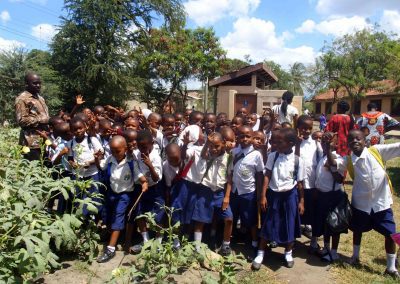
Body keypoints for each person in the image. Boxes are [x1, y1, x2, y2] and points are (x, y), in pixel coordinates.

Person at [327, 129, 400, 279]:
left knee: (391, 235)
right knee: (357, 230)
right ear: (348, 144)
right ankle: (355, 257)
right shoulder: (348, 160)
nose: (355, 141)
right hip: (360, 204)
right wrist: (328, 148)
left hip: (381, 204)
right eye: (351, 140)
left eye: (358, 138)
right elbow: (333, 162)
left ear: (365, 141)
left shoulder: (377, 152)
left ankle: (391, 267)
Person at [252, 128, 305, 270]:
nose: (275, 144)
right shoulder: (273, 156)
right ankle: (261, 252)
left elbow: (300, 183)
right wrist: (263, 196)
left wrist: (301, 201)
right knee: (268, 223)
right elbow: (267, 175)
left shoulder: (298, 160)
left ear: (291, 143)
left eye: (279, 142)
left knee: (289, 224)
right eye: (274, 142)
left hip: (290, 196)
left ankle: (288, 252)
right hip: (274, 195)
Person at [95, 135, 148, 263]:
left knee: (118, 217)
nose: (114, 154)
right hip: (111, 193)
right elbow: (101, 167)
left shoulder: (131, 163)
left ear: (125, 149)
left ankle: (110, 249)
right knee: (107, 216)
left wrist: (144, 183)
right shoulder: (110, 159)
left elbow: (140, 177)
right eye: (112, 151)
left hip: (124, 195)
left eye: (117, 151)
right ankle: (113, 236)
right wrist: (97, 159)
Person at [192, 132, 233, 255]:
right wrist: (206, 144)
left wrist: (227, 197)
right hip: (206, 191)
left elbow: (229, 178)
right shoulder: (207, 154)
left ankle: (226, 245)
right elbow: (203, 154)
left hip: (220, 193)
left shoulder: (229, 157)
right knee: (200, 219)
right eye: (211, 146)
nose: (214, 149)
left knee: (229, 218)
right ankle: (197, 248)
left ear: (224, 144)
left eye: (217, 146)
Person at [226, 125, 264, 256]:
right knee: (232, 217)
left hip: (249, 191)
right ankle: (228, 243)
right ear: (237, 137)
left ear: (253, 138)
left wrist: (260, 195)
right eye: (242, 136)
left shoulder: (256, 155)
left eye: (248, 136)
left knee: (250, 219)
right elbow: (230, 173)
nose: (245, 139)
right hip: (235, 191)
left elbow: (259, 175)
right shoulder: (234, 152)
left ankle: (254, 242)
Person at [312, 132, 345, 263]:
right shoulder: (322, 157)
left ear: (335, 144)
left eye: (329, 141)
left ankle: (334, 252)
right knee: (326, 224)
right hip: (322, 196)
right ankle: (326, 248)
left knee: (334, 225)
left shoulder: (339, 159)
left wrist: (331, 167)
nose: (325, 143)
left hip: (333, 196)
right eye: (323, 142)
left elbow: (339, 179)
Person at [15, 72, 49, 160]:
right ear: (27, 84)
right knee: (33, 168)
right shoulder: (22, 99)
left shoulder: (40, 98)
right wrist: (41, 119)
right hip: (30, 142)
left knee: (45, 167)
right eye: (34, 83)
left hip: (43, 139)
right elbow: (22, 120)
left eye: (39, 83)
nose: (38, 85)